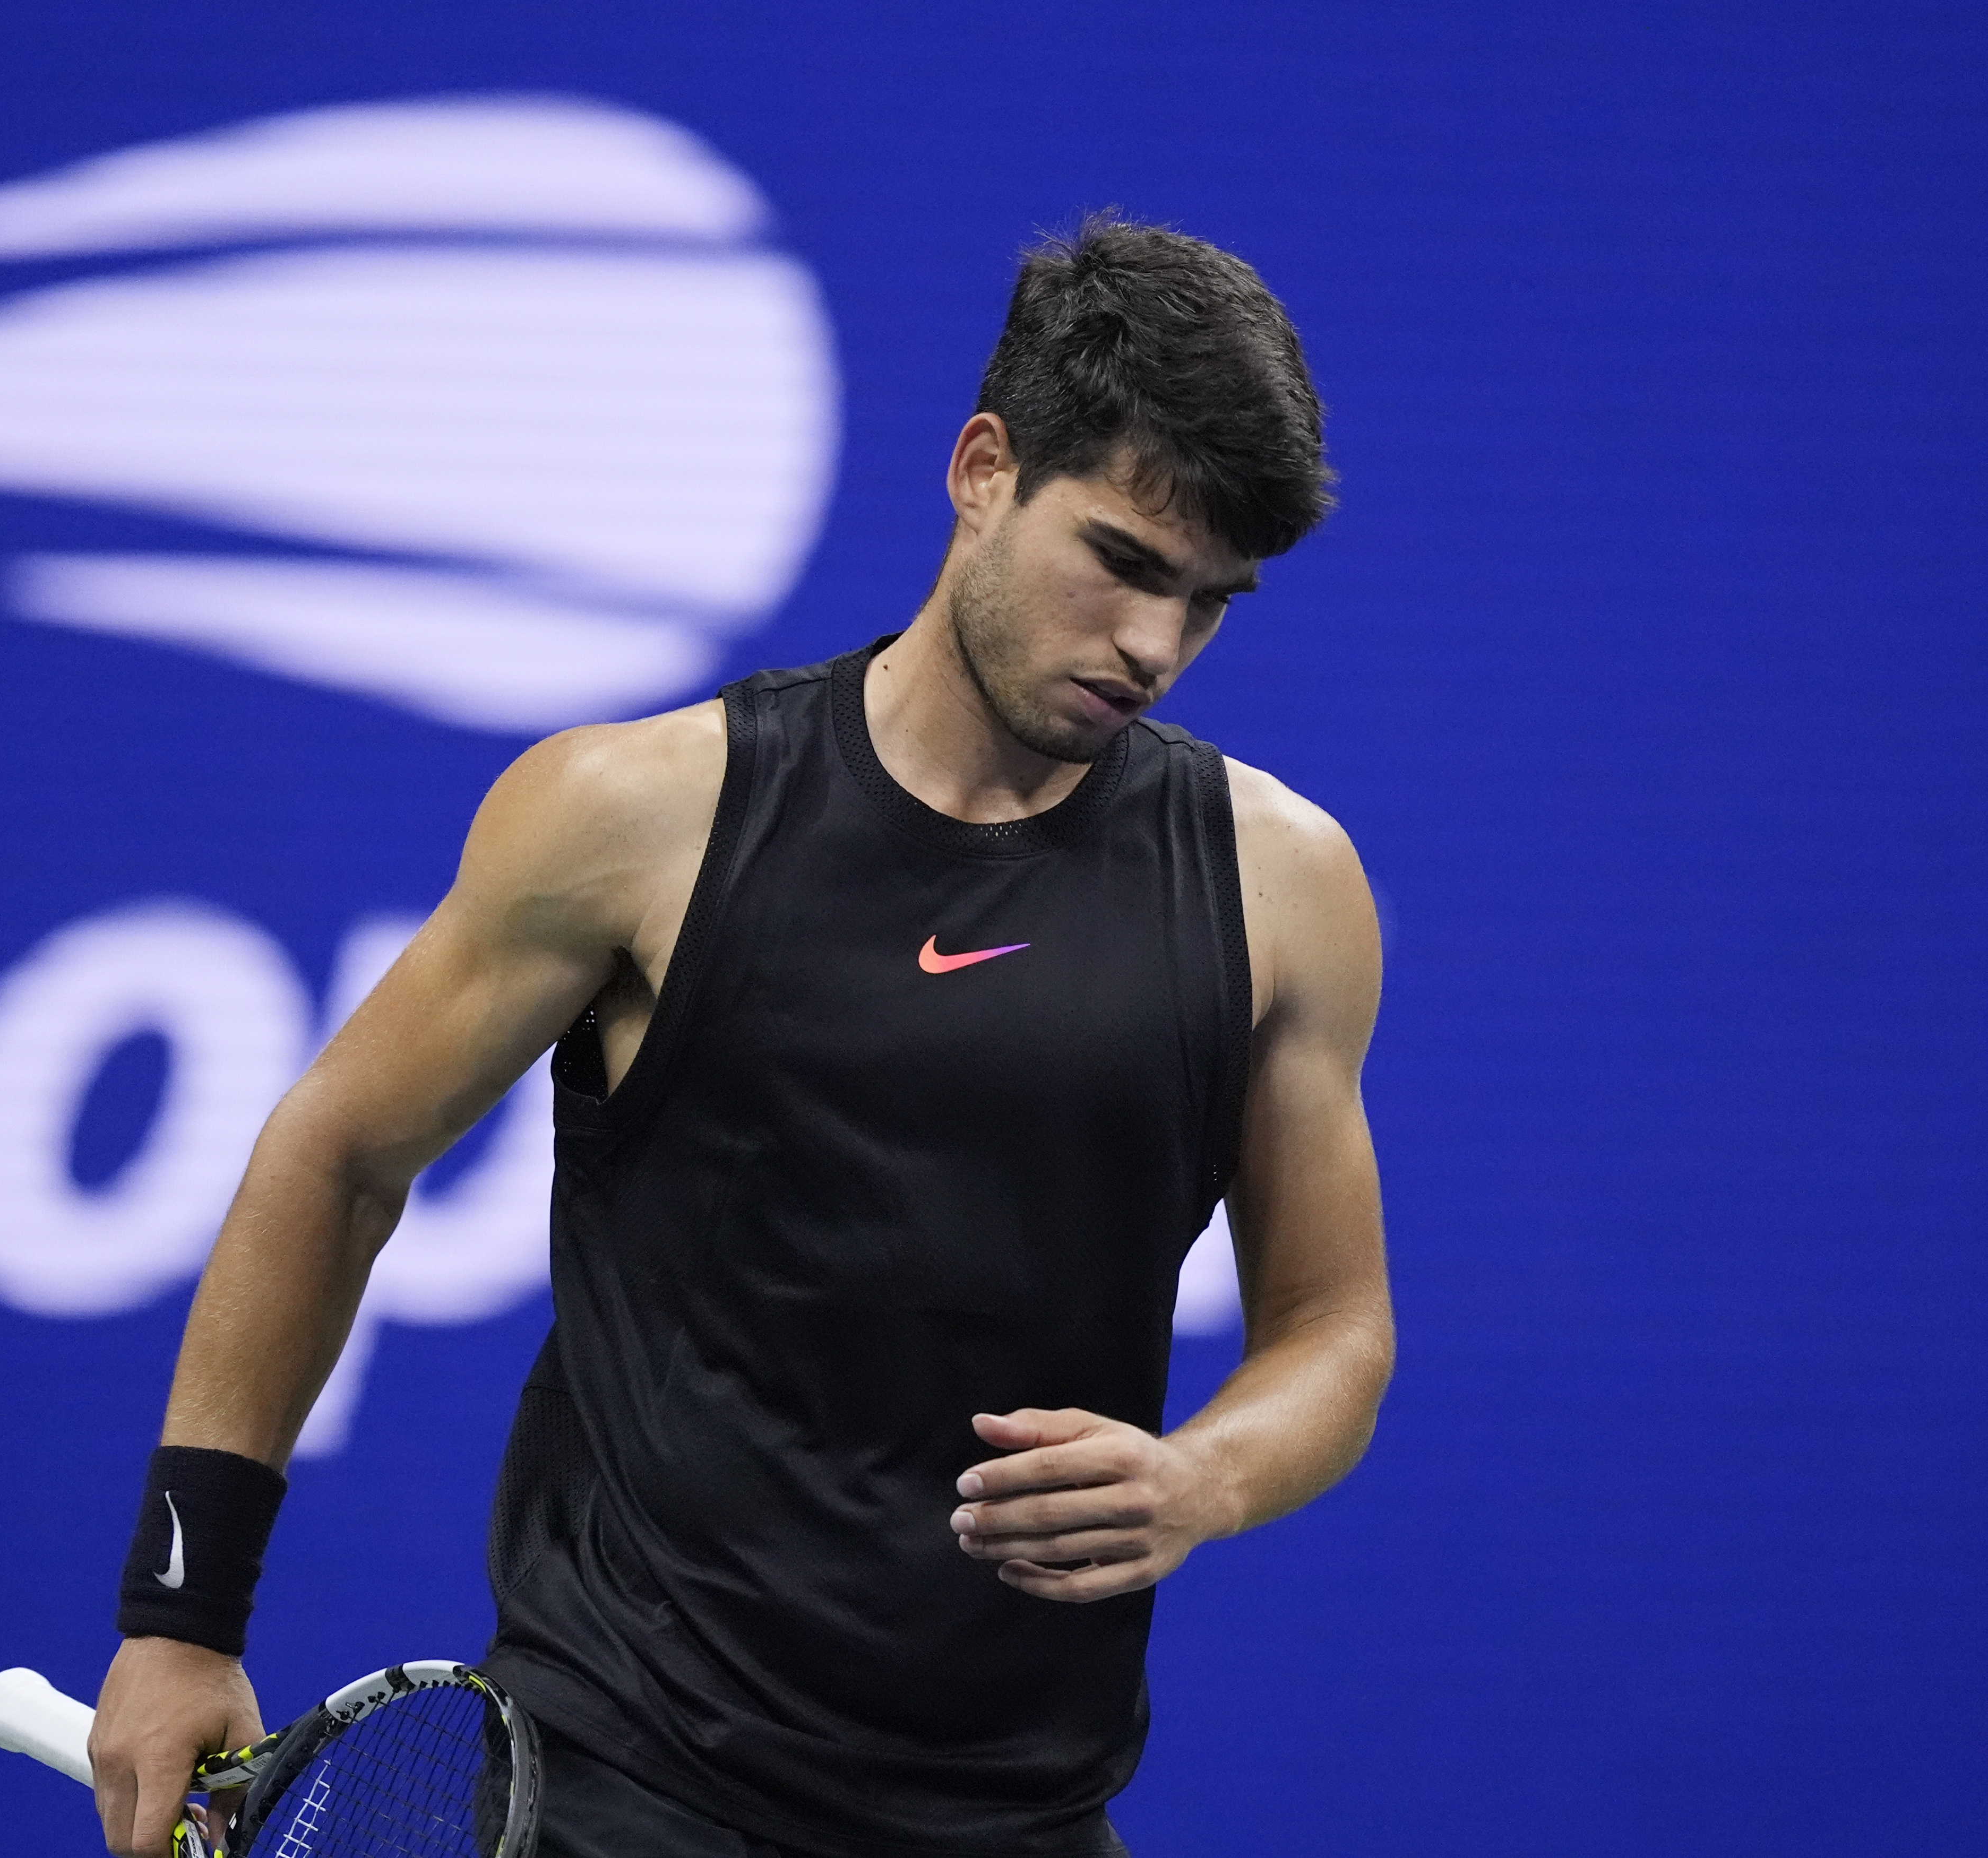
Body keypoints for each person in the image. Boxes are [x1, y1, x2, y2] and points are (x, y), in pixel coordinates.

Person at [87, 213, 1395, 1858]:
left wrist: (1202, 1482)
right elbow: (337, 1153)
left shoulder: (1281, 888)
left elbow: (1333, 1330)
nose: (1152, 645)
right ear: (981, 468)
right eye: (1123, 562)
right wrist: (181, 1614)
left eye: (1207, 603)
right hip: (622, 1785)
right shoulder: (636, 817)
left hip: (1019, 1811)